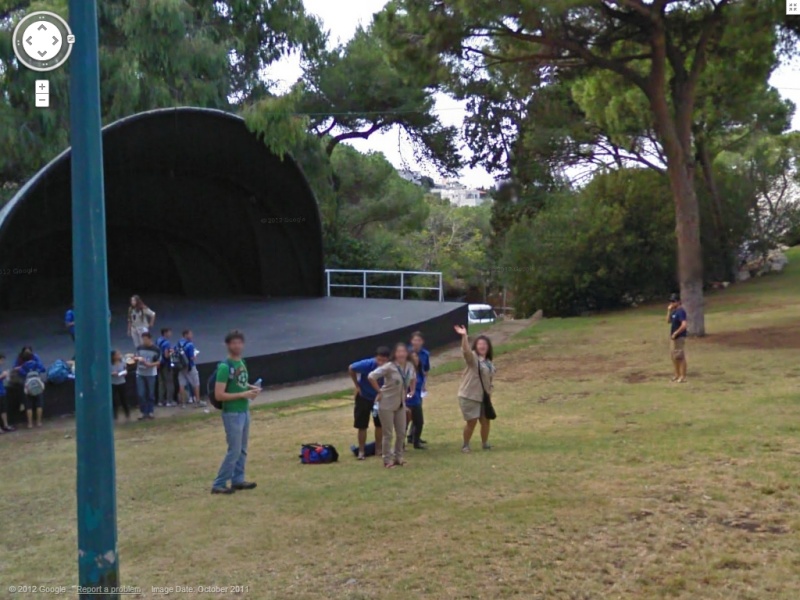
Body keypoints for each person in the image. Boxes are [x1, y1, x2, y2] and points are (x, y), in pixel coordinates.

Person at [211, 330, 260, 495]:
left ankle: (238, 480)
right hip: (232, 413)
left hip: (244, 410)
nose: (237, 346)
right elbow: (219, 394)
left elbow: (240, 384)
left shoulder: (242, 363)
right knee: (234, 450)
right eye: (234, 343)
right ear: (227, 345)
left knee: (242, 449)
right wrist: (242, 394)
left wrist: (251, 388)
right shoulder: (225, 367)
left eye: (239, 342)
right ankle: (219, 483)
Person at [368, 342, 416, 469]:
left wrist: (412, 390)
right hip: (386, 403)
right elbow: (371, 376)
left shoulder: (409, 366)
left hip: (400, 404)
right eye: (398, 351)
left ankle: (398, 457)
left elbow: (412, 378)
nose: (401, 354)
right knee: (388, 433)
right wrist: (379, 391)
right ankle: (387, 460)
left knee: (401, 432)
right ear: (395, 354)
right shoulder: (389, 366)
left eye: (403, 351)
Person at [454, 325, 495, 453]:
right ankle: (465, 445)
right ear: (476, 346)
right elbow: (465, 351)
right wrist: (464, 336)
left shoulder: (489, 362)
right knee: (471, 422)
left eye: (485, 344)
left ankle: (485, 443)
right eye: (480, 344)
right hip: (469, 395)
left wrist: (489, 394)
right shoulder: (473, 358)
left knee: (485, 420)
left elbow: (489, 379)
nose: (482, 346)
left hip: (483, 396)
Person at [348, 347, 389, 460]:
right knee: (362, 425)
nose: (381, 363)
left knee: (380, 424)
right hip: (364, 397)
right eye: (379, 360)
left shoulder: (389, 368)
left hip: (379, 398)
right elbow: (351, 368)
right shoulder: (367, 365)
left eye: (384, 360)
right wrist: (357, 386)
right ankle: (361, 450)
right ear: (375, 358)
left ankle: (378, 449)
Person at [408, 331, 431, 445]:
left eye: (419, 340)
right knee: (407, 416)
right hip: (407, 394)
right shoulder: (406, 353)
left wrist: (423, 385)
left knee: (418, 416)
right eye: (414, 340)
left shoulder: (425, 354)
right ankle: (407, 437)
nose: (416, 342)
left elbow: (425, 370)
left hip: (417, 390)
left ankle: (414, 437)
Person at [14, 347, 46, 428]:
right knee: (39, 404)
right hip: (37, 384)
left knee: (28, 405)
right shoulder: (36, 363)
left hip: (27, 386)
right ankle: (38, 422)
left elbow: (21, 373)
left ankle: (30, 423)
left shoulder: (23, 366)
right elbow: (43, 369)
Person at [134, 332, 161, 420]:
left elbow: (158, 361)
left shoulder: (156, 349)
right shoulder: (139, 348)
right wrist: (135, 359)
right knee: (141, 393)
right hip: (140, 373)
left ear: (150, 339)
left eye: (145, 339)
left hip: (151, 373)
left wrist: (150, 364)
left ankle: (150, 411)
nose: (144, 341)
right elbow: (136, 357)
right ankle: (143, 412)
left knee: (150, 393)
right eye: (143, 339)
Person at [176, 329, 203, 407]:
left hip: (181, 367)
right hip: (190, 366)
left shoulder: (178, 343)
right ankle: (197, 401)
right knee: (196, 383)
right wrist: (195, 355)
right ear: (186, 335)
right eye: (190, 334)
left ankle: (183, 403)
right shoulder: (190, 345)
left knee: (182, 384)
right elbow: (191, 357)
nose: (192, 336)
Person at [405, 351, 426, 450]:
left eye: (416, 357)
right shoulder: (407, 371)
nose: (415, 359)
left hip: (417, 399)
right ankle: (401, 444)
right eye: (413, 358)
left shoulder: (419, 371)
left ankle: (416, 442)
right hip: (408, 400)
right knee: (404, 423)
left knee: (419, 422)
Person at [667, 293, 688, 383]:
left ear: (678, 302)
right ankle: (677, 374)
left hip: (679, 337)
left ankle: (682, 376)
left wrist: (676, 332)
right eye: (671, 301)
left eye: (674, 301)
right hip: (673, 338)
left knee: (680, 356)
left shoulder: (681, 311)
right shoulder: (674, 312)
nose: (672, 303)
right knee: (673, 357)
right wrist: (668, 310)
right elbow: (668, 321)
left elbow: (684, 325)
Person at [155, 328, 175, 407]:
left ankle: (160, 401)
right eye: (169, 332)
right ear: (165, 333)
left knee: (161, 383)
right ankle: (169, 401)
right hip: (166, 365)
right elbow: (166, 355)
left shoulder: (158, 341)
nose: (170, 334)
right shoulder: (167, 343)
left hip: (159, 364)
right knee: (169, 382)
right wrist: (172, 352)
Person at [110, 350, 130, 421]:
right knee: (114, 399)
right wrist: (112, 373)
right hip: (113, 383)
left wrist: (124, 373)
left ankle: (127, 413)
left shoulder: (122, 362)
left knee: (124, 398)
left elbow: (125, 370)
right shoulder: (110, 364)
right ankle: (115, 415)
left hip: (122, 382)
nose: (118, 356)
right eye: (117, 355)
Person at [0, 354, 15, 433]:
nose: (2, 362)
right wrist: (2, 375)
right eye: (2, 360)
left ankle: (5, 425)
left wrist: (6, 376)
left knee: (3, 410)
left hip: (2, 391)